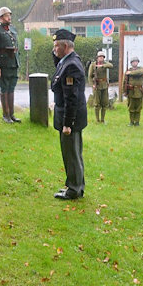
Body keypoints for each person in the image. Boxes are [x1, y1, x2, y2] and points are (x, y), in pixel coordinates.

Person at [51, 29, 87, 200]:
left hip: (70, 118)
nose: (54, 49)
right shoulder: (68, 61)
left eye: (57, 46)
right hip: (70, 117)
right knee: (73, 153)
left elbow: (71, 98)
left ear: (65, 46)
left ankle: (74, 189)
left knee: (71, 153)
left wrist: (67, 124)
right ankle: (76, 185)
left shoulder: (71, 65)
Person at [0, 7, 20, 123]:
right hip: (3, 64)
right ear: (1, 18)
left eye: (9, 15)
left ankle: (12, 114)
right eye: (7, 15)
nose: (9, 17)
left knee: (11, 88)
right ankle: (5, 115)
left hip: (13, 63)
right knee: (4, 88)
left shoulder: (12, 29)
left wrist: (18, 62)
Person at [88, 51, 112, 123]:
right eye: (100, 57)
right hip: (97, 85)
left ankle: (102, 120)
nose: (101, 58)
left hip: (104, 85)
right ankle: (97, 120)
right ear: (97, 58)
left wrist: (102, 66)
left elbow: (111, 65)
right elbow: (89, 76)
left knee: (104, 103)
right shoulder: (93, 65)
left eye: (102, 57)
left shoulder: (105, 64)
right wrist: (92, 85)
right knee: (97, 103)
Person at [123, 56, 143, 126]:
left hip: (139, 91)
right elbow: (124, 81)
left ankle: (137, 122)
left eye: (136, 61)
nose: (135, 63)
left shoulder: (140, 69)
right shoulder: (127, 71)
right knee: (131, 107)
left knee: (138, 107)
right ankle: (131, 122)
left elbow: (140, 72)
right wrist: (124, 91)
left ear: (138, 62)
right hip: (131, 91)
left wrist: (130, 73)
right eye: (133, 62)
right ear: (131, 63)